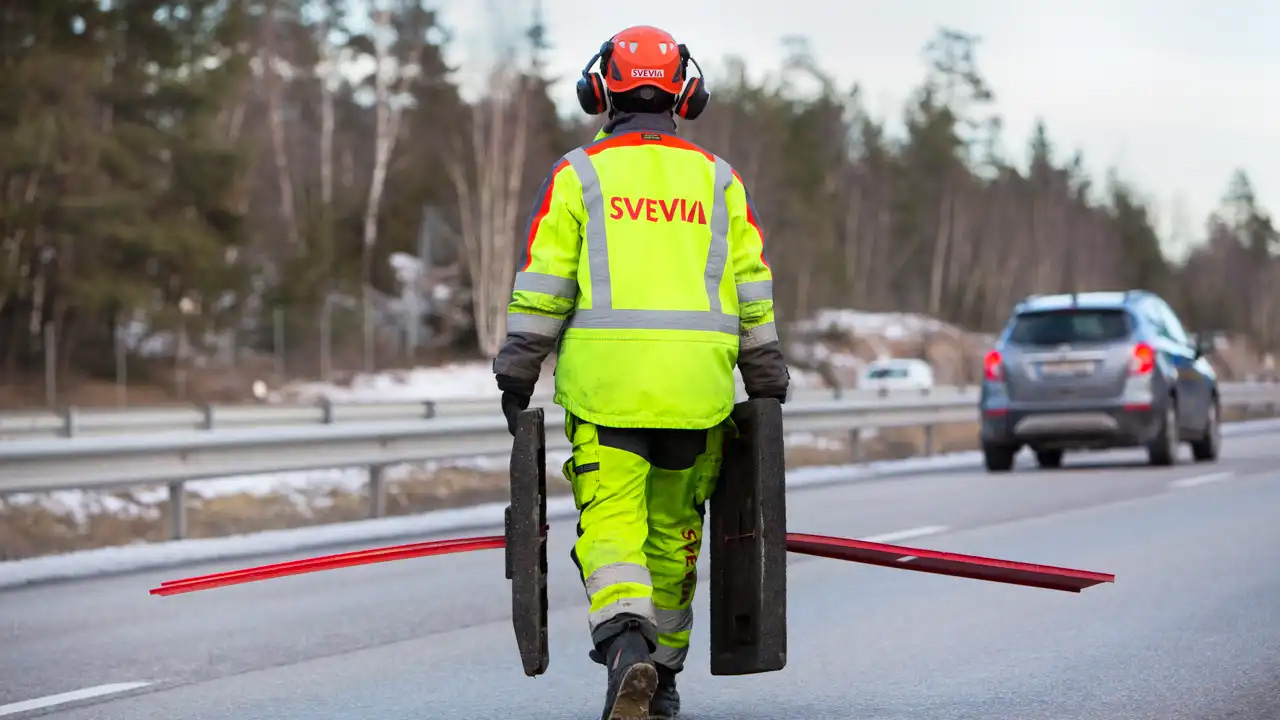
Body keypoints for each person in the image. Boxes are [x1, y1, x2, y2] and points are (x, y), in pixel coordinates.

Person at [492, 24, 789, 720]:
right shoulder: (718, 181)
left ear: (600, 90)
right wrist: (766, 375)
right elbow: (752, 287)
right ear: (687, 95)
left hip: (609, 395)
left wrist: (517, 370)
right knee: (673, 539)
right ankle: (665, 676)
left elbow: (545, 286)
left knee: (613, 529)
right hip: (699, 396)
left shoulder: (580, 175)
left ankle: (628, 650)